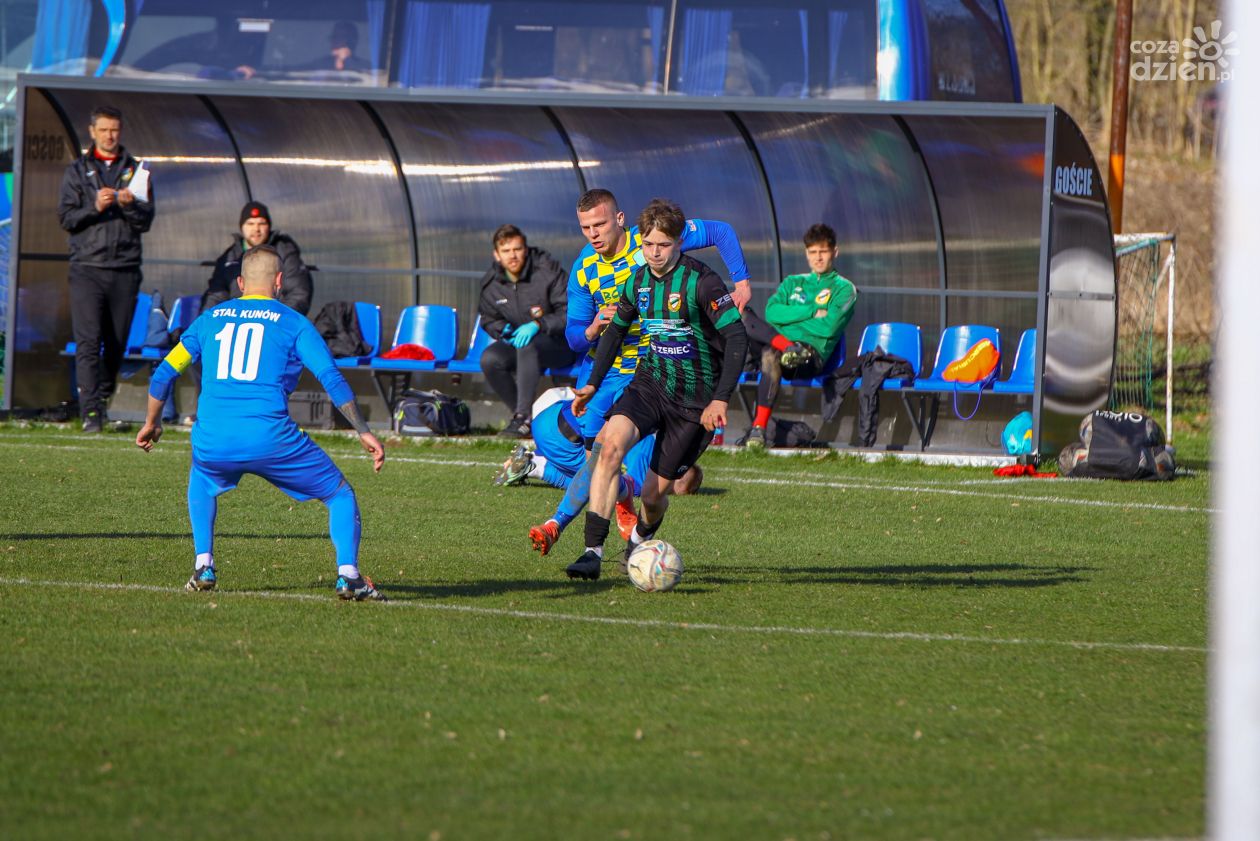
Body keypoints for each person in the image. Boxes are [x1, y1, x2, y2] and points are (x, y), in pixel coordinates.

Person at [135, 246, 388, 601]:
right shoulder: (294, 322)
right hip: (271, 437)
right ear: (280, 281)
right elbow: (331, 377)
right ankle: (349, 576)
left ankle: (204, 565)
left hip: (214, 438)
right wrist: (363, 431)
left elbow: (164, 373)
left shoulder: (209, 319)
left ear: (240, 283)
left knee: (202, 479)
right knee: (339, 494)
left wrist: (152, 422)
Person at [524, 188, 751, 550]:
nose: (593, 234)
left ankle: (574, 521)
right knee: (598, 459)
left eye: (600, 224)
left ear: (619, 219)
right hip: (608, 371)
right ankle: (579, 523)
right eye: (585, 227)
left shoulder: (652, 239)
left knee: (641, 476)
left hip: (654, 371)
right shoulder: (584, 269)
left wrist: (741, 283)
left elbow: (720, 232)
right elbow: (574, 338)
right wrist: (593, 327)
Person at [494, 399, 704, 555]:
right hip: (561, 440)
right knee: (601, 481)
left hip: (549, 418)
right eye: (674, 488)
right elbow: (633, 485)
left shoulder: (646, 421)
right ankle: (545, 489)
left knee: (599, 476)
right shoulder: (650, 468)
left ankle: (532, 464)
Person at [57, 104, 155, 433]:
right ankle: (91, 414)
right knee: (88, 341)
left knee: (116, 343)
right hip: (87, 268)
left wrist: (129, 206)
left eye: (114, 130)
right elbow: (66, 218)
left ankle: (101, 396)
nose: (110, 136)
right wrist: (94, 206)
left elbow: (146, 220)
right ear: (92, 131)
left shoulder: (136, 170)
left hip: (124, 269)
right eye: (104, 130)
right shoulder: (77, 170)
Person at [737, 223, 857, 448]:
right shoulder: (793, 282)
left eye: (823, 251)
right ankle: (787, 346)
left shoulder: (844, 288)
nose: (818, 258)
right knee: (741, 314)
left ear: (835, 252)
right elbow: (771, 313)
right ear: (806, 254)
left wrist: (790, 319)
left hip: (810, 356)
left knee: (770, 353)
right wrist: (811, 311)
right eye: (813, 252)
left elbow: (829, 327)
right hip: (781, 346)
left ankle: (758, 429)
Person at [477, 224, 575, 438]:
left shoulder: (548, 272)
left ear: (526, 249)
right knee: (490, 359)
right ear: (496, 255)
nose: (512, 256)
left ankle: (523, 418)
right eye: (506, 250)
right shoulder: (492, 284)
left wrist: (538, 324)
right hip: (522, 346)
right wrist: (503, 330)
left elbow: (569, 313)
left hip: (559, 345)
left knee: (528, 346)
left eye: (517, 249)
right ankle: (524, 418)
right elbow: (488, 318)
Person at [204, 201, 313, 316]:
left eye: (262, 223)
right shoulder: (229, 257)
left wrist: (278, 318)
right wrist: (208, 319)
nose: (256, 229)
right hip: (236, 320)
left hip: (273, 320)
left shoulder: (284, 252)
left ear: (269, 226)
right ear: (241, 227)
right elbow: (216, 296)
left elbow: (298, 293)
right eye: (250, 223)